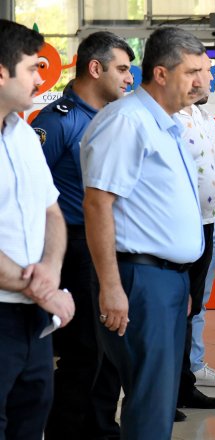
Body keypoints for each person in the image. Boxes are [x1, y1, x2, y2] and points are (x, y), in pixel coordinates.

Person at [80, 27, 206, 439]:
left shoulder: (164, 124)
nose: (201, 82)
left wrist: (178, 276)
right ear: (161, 73)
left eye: (202, 71)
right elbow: (99, 203)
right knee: (149, 404)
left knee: (159, 400)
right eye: (191, 72)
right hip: (138, 278)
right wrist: (112, 287)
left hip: (164, 279)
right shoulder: (128, 121)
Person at [32, 30, 134, 440]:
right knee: (84, 351)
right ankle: (67, 430)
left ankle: (100, 427)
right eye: (123, 69)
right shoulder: (59, 121)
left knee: (109, 349)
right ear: (95, 68)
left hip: (109, 244)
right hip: (74, 245)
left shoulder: (112, 118)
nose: (130, 78)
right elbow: (28, 192)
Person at [0, 19, 75, 440]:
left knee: (31, 419)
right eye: (32, 68)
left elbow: (52, 213)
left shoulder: (24, 135)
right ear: (1, 72)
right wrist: (43, 289)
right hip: (7, 310)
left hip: (34, 319)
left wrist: (50, 266)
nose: (41, 78)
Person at [175, 53, 215, 421]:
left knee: (197, 303)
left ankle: (186, 381)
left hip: (209, 223)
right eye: (202, 74)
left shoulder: (205, 119)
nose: (209, 81)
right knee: (177, 309)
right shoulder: (170, 119)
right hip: (181, 227)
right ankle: (171, 387)